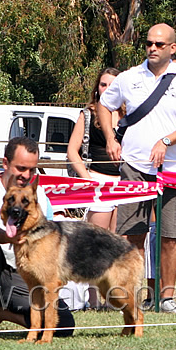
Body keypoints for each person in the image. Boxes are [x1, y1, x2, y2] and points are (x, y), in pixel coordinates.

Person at [97, 23, 176, 314]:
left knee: (171, 234)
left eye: (159, 44)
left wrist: (167, 141)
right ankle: (128, 296)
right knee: (131, 233)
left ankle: (164, 297)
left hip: (172, 167)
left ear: (173, 48)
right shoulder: (129, 77)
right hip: (133, 165)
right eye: (149, 43)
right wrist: (110, 137)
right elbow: (104, 105)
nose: (153, 48)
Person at [0, 137, 75, 341]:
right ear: (5, 163)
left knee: (64, 325)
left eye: (32, 170)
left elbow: (49, 240)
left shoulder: (40, 197)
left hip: (18, 269)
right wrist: (10, 236)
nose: (26, 175)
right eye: (21, 168)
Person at [67, 67, 122, 231]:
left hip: (125, 183)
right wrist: (88, 179)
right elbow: (71, 151)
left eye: (112, 85)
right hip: (99, 181)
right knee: (97, 239)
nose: (106, 89)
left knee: (120, 243)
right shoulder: (88, 114)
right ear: (97, 88)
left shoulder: (129, 115)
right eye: (103, 84)